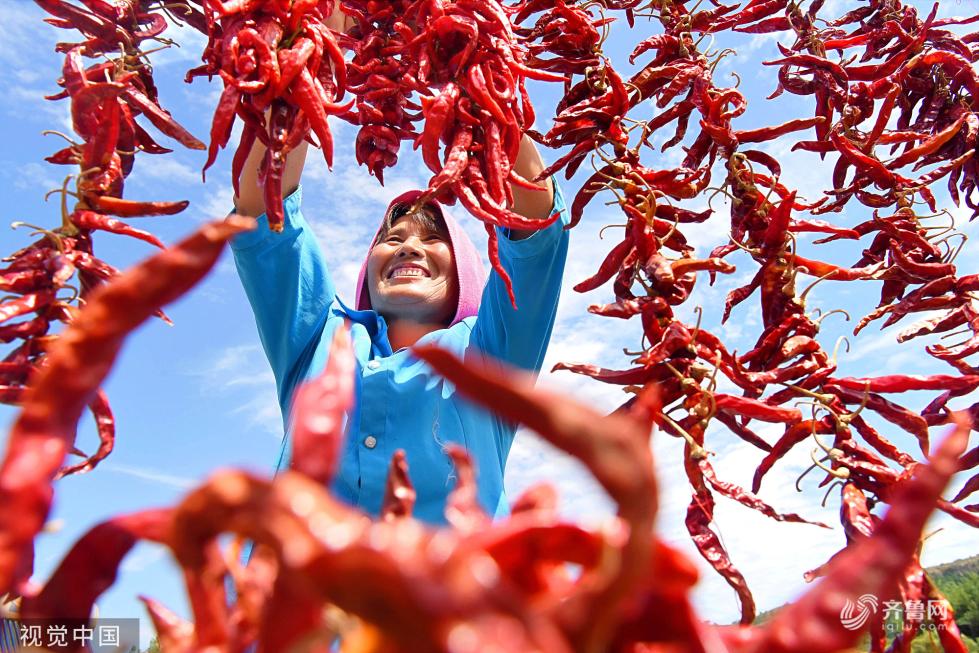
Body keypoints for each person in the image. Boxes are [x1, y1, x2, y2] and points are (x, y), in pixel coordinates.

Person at [229, 45, 569, 525]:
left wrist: (465, 57)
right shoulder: (321, 340)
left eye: (433, 239)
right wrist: (318, 52)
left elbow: (535, 227)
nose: (408, 248)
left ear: (468, 273)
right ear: (368, 271)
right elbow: (262, 212)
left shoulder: (489, 354)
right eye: (391, 239)